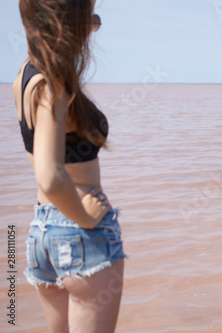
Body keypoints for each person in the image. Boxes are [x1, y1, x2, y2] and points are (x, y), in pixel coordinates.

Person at [13, 1, 125, 332]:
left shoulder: (26, 74)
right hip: (79, 232)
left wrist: (85, 21)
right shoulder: (53, 85)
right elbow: (49, 175)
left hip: (42, 234)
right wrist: (85, 216)